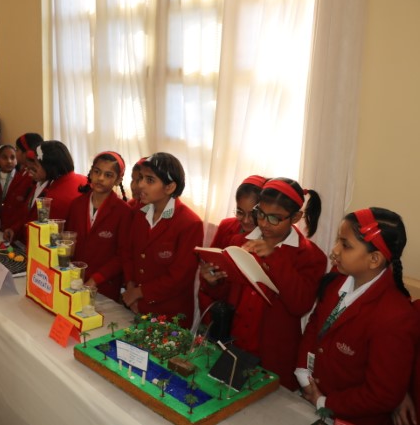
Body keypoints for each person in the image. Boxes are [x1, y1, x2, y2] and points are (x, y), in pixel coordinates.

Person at [200, 177, 327, 390]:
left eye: (275, 218)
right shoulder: (240, 241)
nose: (265, 223)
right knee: (225, 397)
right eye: (261, 214)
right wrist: (213, 282)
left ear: (296, 217)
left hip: (274, 354)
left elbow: (300, 305)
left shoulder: (311, 256)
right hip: (235, 345)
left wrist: (274, 258)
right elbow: (226, 293)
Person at [296, 208, 420, 425]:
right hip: (313, 397)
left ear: (374, 259)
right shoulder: (336, 278)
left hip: (349, 416)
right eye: (338, 240)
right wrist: (303, 372)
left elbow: (382, 394)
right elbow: (316, 324)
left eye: (345, 245)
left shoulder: (394, 316)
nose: (334, 250)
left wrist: (324, 402)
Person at [121, 153, 203, 328]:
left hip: (169, 315)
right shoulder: (139, 213)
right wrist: (130, 287)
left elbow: (180, 277)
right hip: (136, 305)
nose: (141, 185)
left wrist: (139, 293)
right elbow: (128, 253)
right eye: (141, 178)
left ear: (170, 187)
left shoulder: (189, 223)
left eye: (150, 180)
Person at [198, 174, 268, 321]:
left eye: (253, 214)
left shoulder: (269, 239)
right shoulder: (226, 227)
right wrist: (211, 280)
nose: (246, 220)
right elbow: (210, 266)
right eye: (240, 212)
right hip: (220, 311)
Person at [65, 151, 132, 301]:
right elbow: (69, 240)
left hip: (104, 287)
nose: (100, 178)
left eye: (108, 175)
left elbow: (122, 255)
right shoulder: (76, 205)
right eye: (97, 172)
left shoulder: (124, 212)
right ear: (91, 173)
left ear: (118, 180)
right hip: (74, 280)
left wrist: (96, 279)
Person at [3, 140, 86, 242]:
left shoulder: (54, 196)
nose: (33, 167)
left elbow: (47, 237)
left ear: (49, 167)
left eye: (37, 164)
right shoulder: (81, 179)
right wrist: (15, 229)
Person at [0, 144, 32, 232]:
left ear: (16, 160)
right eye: (4, 158)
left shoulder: (22, 179)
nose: (9, 161)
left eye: (12, 157)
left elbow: (22, 209)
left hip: (14, 228)